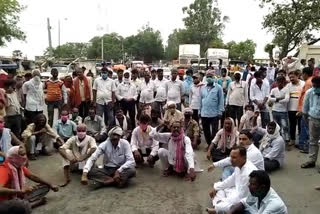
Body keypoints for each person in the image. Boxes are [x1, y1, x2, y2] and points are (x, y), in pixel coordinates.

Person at [0, 146, 59, 212]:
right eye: (22, 155)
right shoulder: (4, 169)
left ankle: (26, 203)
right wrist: (20, 191)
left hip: (16, 195)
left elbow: (32, 176)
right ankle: (32, 204)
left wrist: (50, 184)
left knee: (45, 186)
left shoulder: (19, 166)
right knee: (24, 206)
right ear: (13, 156)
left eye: (25, 154)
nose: (25, 157)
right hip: (3, 200)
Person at [206, 146, 257, 214]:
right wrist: (216, 188)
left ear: (243, 158)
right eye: (231, 157)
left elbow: (241, 198)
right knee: (218, 188)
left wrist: (223, 201)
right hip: (236, 192)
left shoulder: (248, 173)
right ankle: (218, 207)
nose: (230, 160)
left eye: (234, 157)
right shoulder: (239, 166)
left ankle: (217, 208)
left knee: (222, 204)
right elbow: (231, 180)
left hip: (247, 202)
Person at [200, 71, 224, 150]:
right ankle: (209, 144)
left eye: (210, 76)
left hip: (214, 113)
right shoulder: (203, 88)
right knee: (206, 131)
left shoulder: (218, 87)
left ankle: (213, 145)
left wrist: (220, 111)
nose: (209, 78)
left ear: (213, 77)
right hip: (204, 113)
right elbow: (201, 100)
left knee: (214, 131)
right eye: (207, 76)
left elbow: (221, 100)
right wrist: (199, 111)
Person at [301, 76, 320, 170]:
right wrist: (305, 116)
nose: (315, 87)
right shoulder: (310, 92)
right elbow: (305, 105)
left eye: (317, 86)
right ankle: (311, 160)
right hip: (313, 118)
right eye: (314, 86)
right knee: (313, 141)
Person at [268, 76, 290, 147]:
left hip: (283, 111)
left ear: (284, 82)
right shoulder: (274, 90)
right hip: (275, 110)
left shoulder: (286, 89)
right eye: (278, 82)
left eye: (281, 82)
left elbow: (286, 100)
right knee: (276, 127)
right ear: (276, 82)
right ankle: (278, 141)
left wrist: (275, 99)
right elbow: (270, 99)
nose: (279, 83)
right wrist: (280, 99)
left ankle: (287, 140)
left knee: (285, 126)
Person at [297, 67, 314, 153]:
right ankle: (304, 145)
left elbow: (306, 98)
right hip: (309, 110)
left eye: (302, 74)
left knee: (305, 128)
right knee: (306, 127)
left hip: (306, 110)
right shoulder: (311, 81)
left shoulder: (308, 83)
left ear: (305, 74)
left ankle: (305, 146)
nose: (301, 76)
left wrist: (303, 110)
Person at [287, 70, 304, 147]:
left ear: (297, 76)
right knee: (292, 125)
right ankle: (292, 140)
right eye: (290, 77)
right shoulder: (288, 86)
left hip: (301, 109)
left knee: (301, 126)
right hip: (291, 108)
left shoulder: (303, 84)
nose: (291, 79)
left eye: (293, 77)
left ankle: (301, 141)